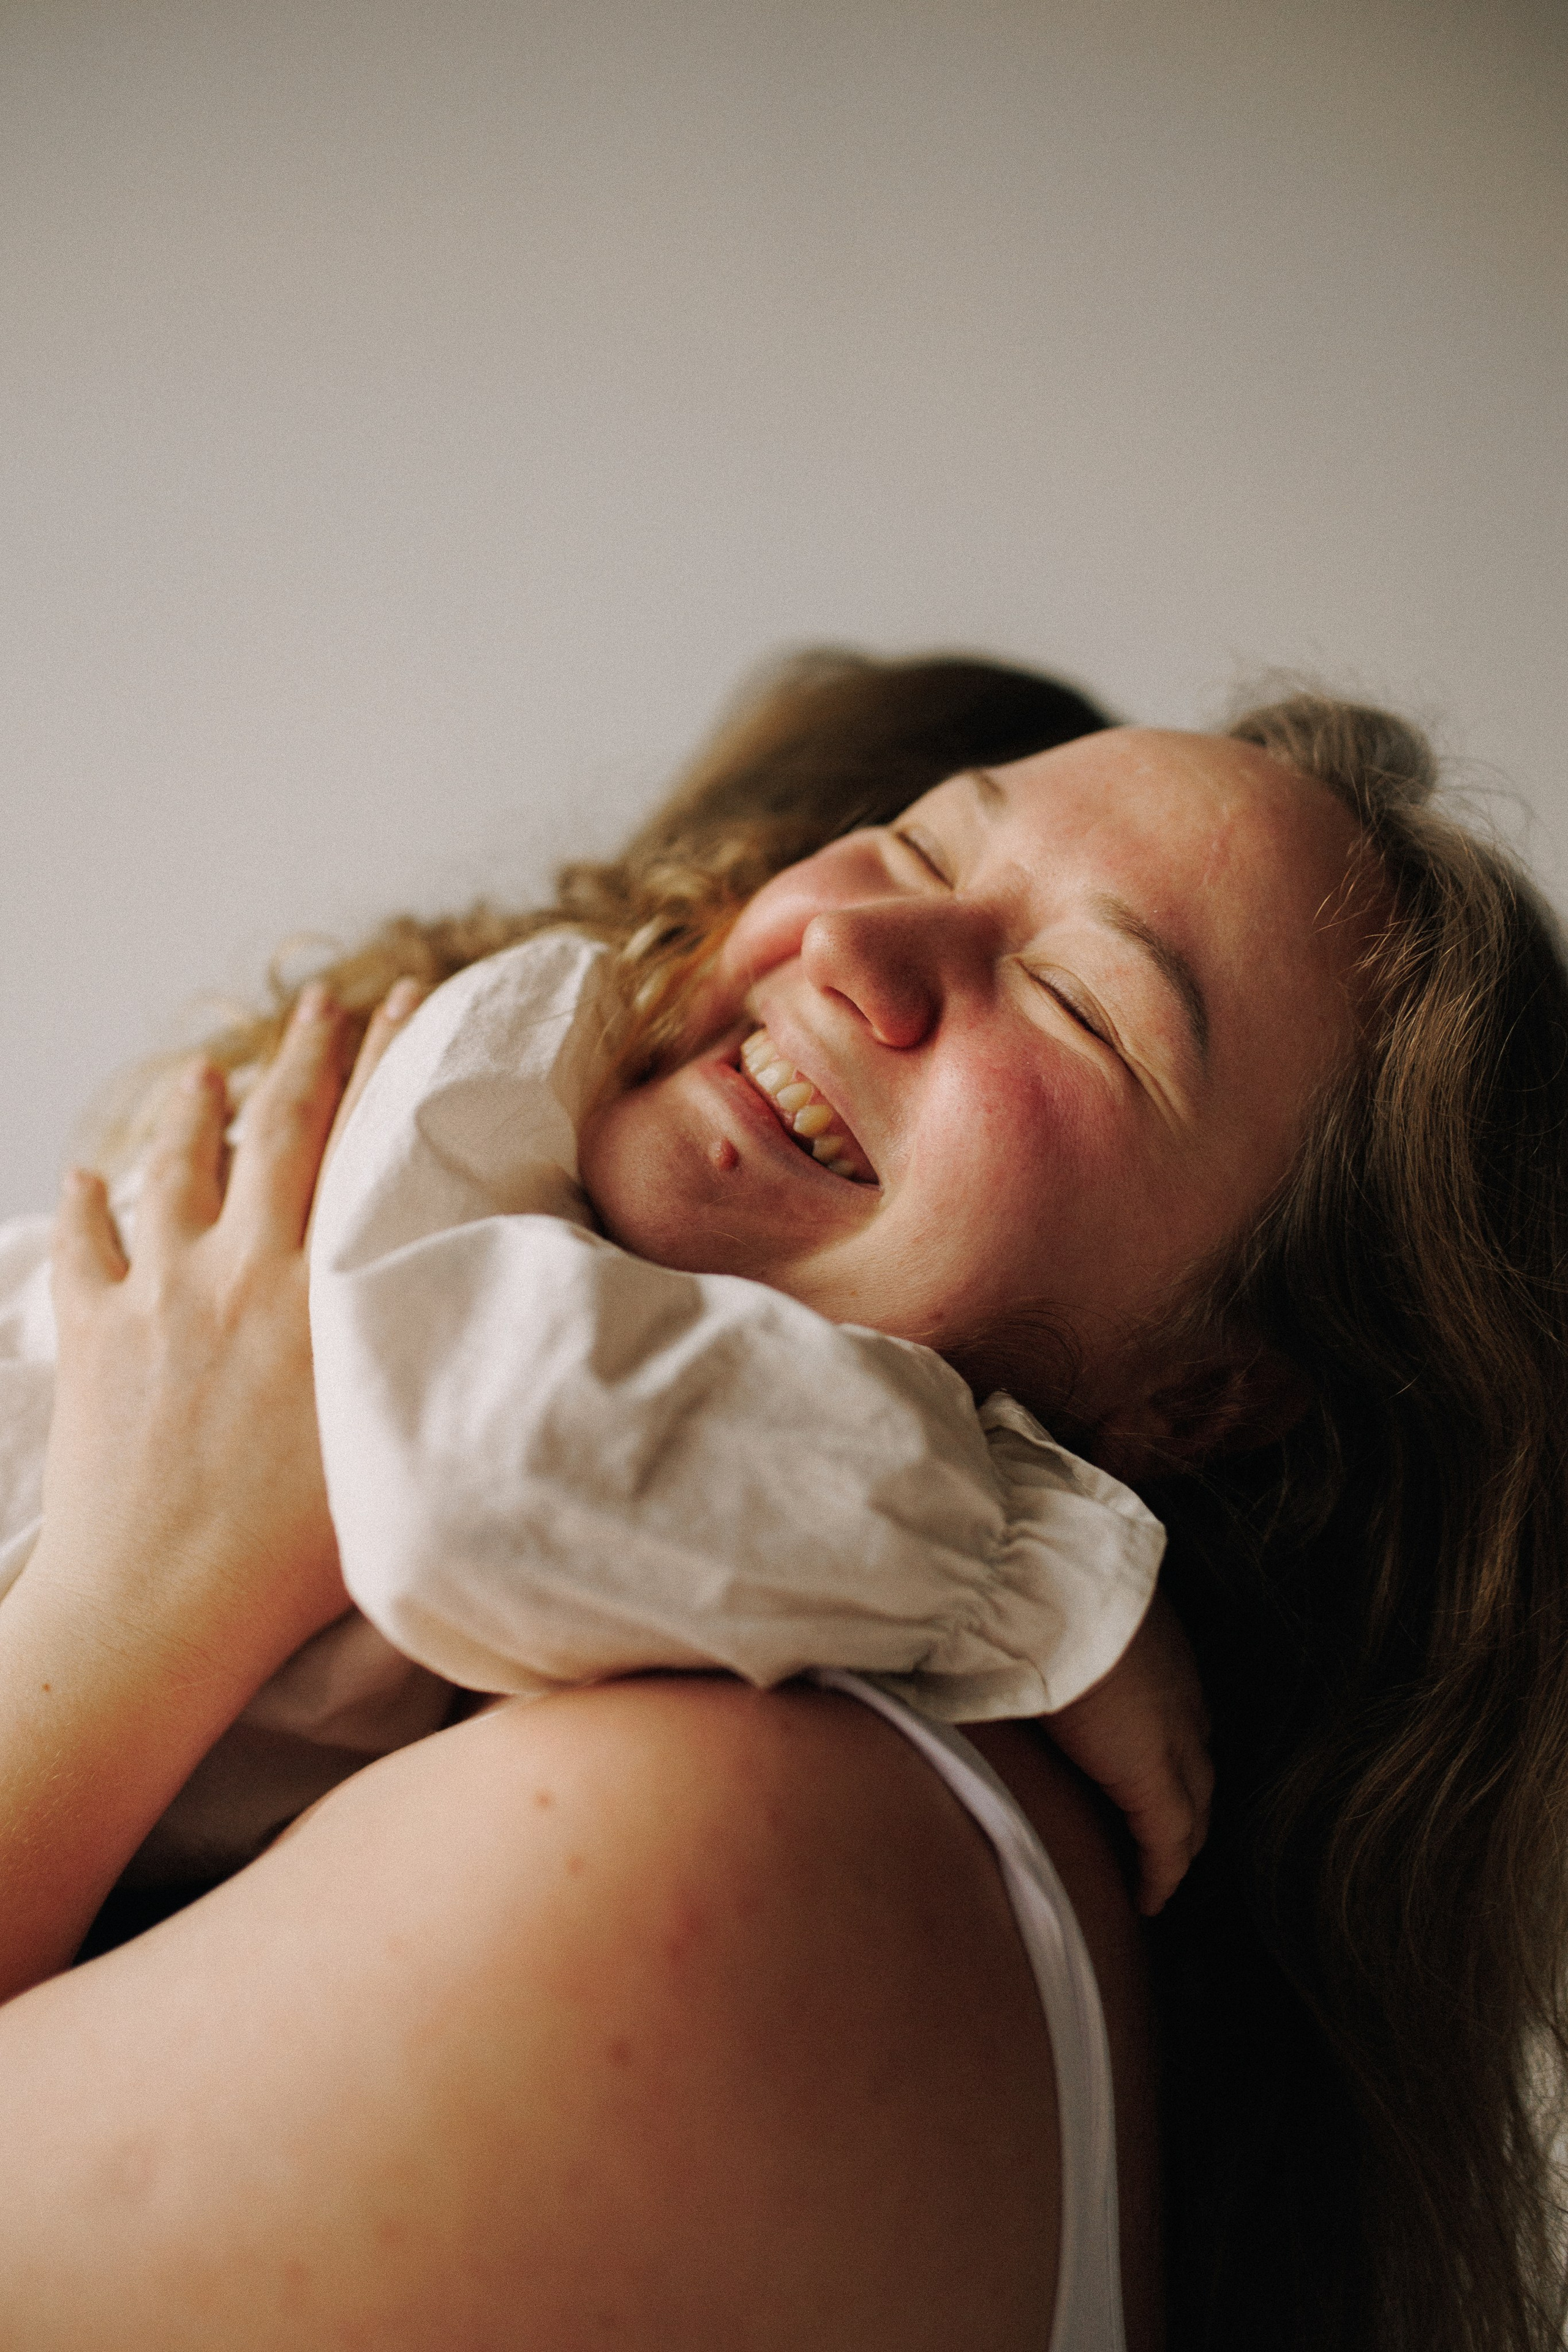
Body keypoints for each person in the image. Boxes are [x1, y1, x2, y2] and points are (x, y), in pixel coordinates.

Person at [1, 657, 1565, 2351]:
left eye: (1078, 1005)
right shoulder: (505, 1078)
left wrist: (132, 1604)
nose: (855, 945)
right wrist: (1029, 1575)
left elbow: (515, 1445)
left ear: (1205, 1397)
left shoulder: (720, 1830)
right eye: (916, 845)